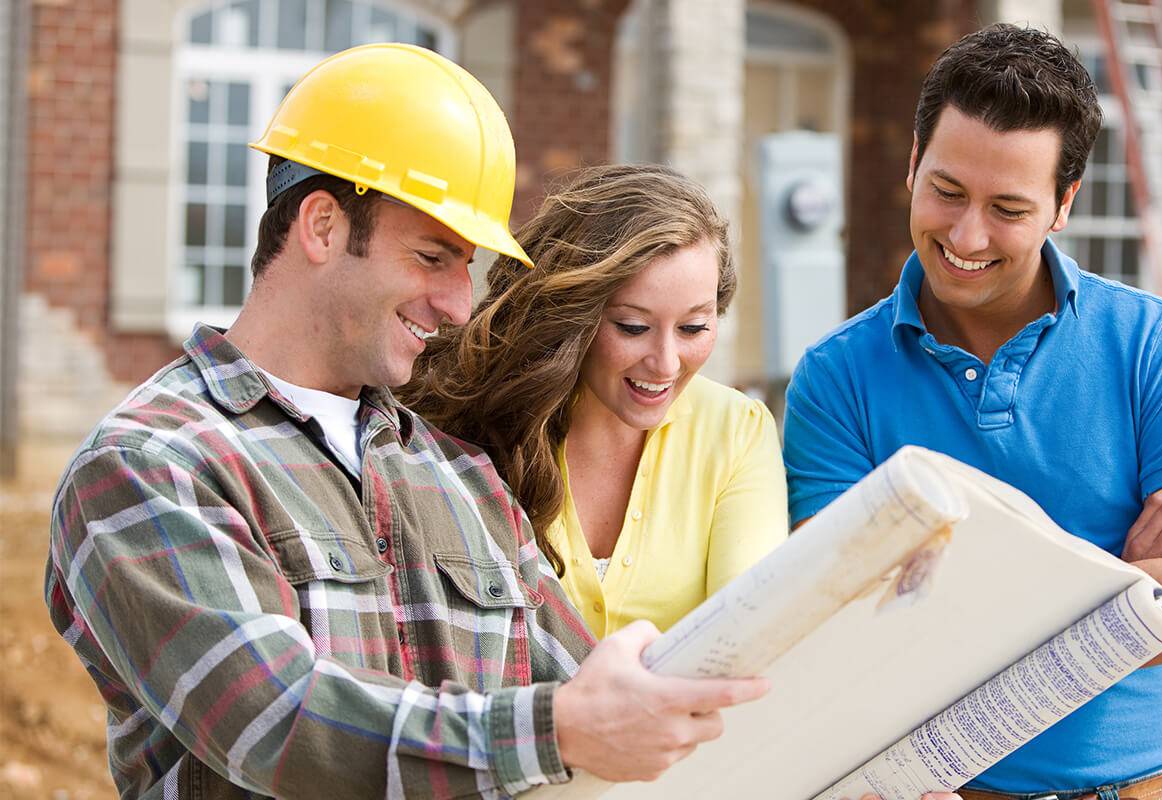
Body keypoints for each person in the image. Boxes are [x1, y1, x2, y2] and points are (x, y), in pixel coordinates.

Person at [44, 44, 765, 800]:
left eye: (466, 267)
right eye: (432, 257)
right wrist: (556, 732)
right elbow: (278, 724)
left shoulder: (461, 478)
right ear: (322, 226)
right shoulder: (151, 464)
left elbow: (602, 698)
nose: (459, 303)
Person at [785, 24, 1162, 800]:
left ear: (1064, 204)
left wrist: (951, 606)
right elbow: (840, 628)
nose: (966, 235)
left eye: (1007, 207)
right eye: (947, 191)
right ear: (912, 166)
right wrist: (1115, 577)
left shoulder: (1158, 347)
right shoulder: (835, 379)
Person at [402, 164, 787, 639]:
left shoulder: (737, 430)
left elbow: (751, 632)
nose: (666, 364)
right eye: (632, 327)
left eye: (693, 328)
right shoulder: (469, 423)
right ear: (571, 316)